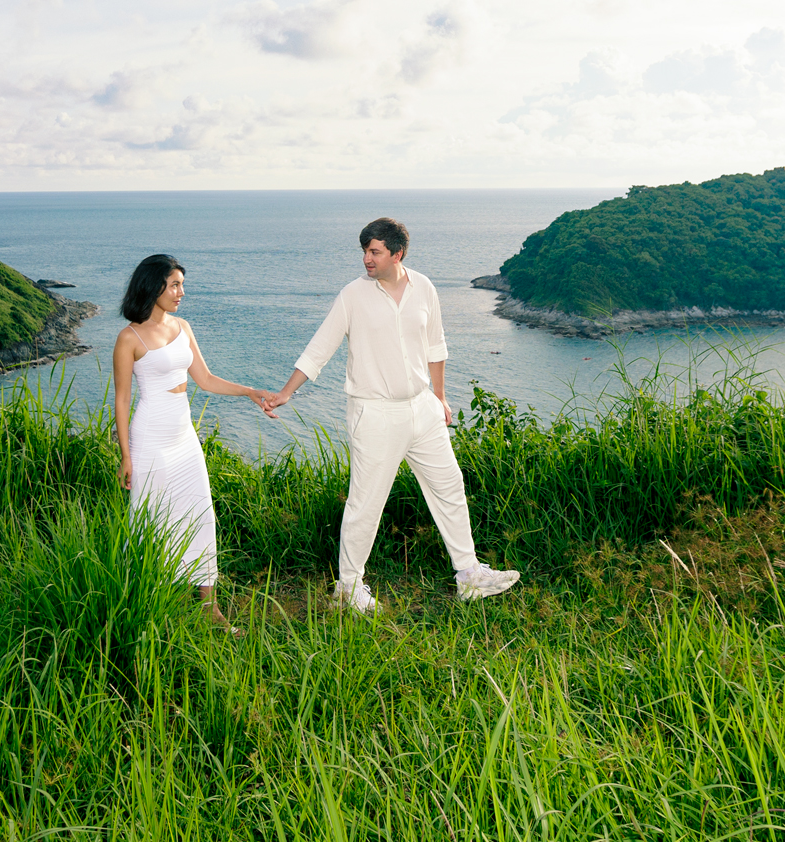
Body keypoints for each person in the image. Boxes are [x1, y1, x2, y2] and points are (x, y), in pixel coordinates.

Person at [257, 216, 520, 612]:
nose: (366, 258)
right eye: (364, 250)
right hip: (375, 414)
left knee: (449, 486)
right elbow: (320, 348)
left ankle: (469, 575)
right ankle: (348, 590)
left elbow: (436, 345)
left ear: (397, 253)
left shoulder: (424, 287)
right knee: (366, 503)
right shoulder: (352, 295)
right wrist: (285, 393)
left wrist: (441, 397)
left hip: (423, 408)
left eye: (374, 251)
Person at [113, 254, 264, 629]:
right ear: (154, 286)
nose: (182, 292)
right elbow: (122, 400)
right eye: (175, 284)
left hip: (183, 435)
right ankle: (150, 601)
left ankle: (209, 609)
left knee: (201, 514)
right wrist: (126, 456)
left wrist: (249, 391)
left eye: (181, 284)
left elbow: (206, 379)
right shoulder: (128, 338)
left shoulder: (183, 326)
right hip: (150, 436)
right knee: (153, 517)